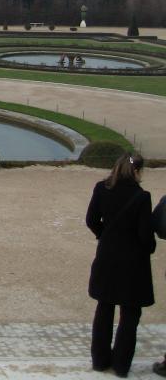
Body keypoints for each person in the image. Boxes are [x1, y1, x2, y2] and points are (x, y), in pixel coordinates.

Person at [86, 153, 154, 377]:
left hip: (107, 255)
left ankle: (99, 360)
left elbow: (91, 220)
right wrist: (150, 246)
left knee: (104, 308)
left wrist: (104, 235)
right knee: (130, 314)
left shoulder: (101, 188)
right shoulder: (141, 196)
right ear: (137, 171)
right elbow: (145, 235)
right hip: (133, 260)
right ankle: (121, 365)